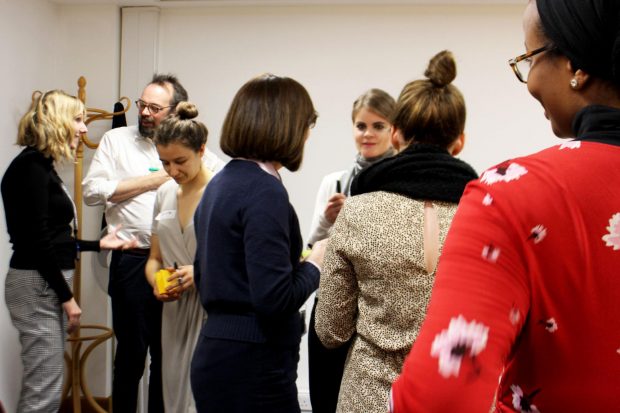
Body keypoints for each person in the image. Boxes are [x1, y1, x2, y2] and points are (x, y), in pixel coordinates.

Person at [390, 1, 620, 411]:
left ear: (575, 65)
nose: (529, 81)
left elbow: (441, 396)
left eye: (529, 59)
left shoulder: (511, 194)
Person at [314, 51, 478, 413]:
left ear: (398, 134)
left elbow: (330, 331)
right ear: (460, 141)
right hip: (455, 395)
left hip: (370, 396)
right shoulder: (486, 215)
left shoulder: (358, 212)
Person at [82, 74, 224, 413]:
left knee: (169, 357)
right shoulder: (117, 140)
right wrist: (154, 179)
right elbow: (91, 192)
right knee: (130, 355)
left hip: (179, 268)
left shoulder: (203, 154)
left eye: (154, 108)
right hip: (133, 262)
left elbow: (220, 197)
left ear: (175, 111)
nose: (144, 113)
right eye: (142, 104)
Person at [190, 73, 327, 413]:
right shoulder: (264, 191)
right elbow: (274, 298)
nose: (307, 135)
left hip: (218, 352)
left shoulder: (221, 184)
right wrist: (315, 263)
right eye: (307, 125)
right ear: (287, 126)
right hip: (251, 362)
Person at [1, 90, 137, 413]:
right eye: (78, 120)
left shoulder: (40, 166)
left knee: (46, 386)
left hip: (41, 282)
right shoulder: (31, 168)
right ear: (57, 122)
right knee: (43, 394)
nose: (84, 128)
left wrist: (98, 244)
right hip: (39, 285)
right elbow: (36, 243)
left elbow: (52, 236)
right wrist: (67, 298)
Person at [307, 88, 396, 413]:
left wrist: (361, 217)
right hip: (334, 303)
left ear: (394, 130)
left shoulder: (402, 183)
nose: (368, 134)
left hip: (377, 309)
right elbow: (313, 245)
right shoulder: (334, 182)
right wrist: (327, 219)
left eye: (378, 126)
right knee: (326, 398)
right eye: (361, 126)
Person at [144, 101, 210, 412]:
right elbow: (154, 258)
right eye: (165, 163)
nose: (173, 172)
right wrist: (156, 282)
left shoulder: (219, 193)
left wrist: (199, 273)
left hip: (209, 308)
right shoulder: (164, 194)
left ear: (202, 150)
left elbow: (238, 261)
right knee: (172, 394)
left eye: (180, 161)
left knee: (200, 396)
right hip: (172, 311)